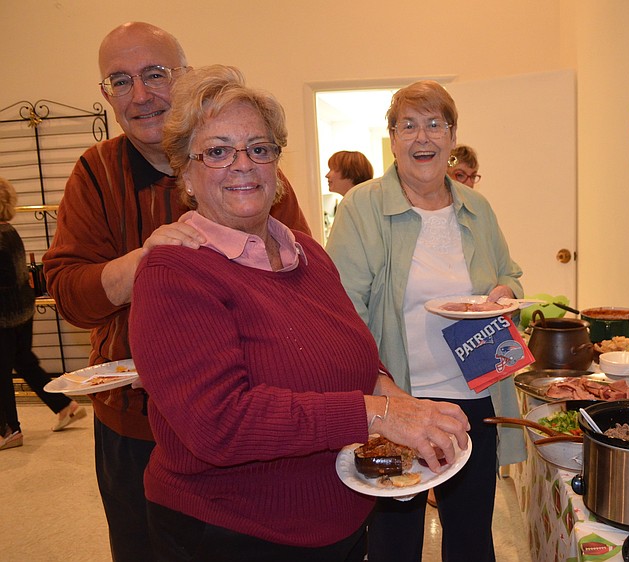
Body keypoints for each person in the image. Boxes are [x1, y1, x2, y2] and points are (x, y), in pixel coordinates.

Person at [128, 64, 469, 560]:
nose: (243, 165)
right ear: (186, 173)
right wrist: (378, 414)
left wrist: (388, 392)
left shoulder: (305, 252)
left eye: (259, 148)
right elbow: (219, 424)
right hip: (234, 533)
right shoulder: (174, 272)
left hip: (338, 522)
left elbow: (351, 350)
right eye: (218, 151)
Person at [41, 22, 311, 562]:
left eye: (155, 74)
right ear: (106, 95)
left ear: (186, 77)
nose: (140, 95)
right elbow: (69, 295)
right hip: (134, 423)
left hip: (247, 416)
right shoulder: (96, 173)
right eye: (120, 81)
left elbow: (303, 283)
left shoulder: (250, 170)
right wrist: (145, 263)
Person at [325, 80, 526, 562]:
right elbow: (341, 310)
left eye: (435, 124)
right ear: (392, 139)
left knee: (472, 540)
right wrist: (379, 391)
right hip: (398, 403)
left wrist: (506, 295)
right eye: (408, 126)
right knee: (394, 542)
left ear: (452, 136)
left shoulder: (477, 207)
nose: (422, 137)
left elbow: (510, 277)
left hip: (475, 398)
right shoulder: (363, 207)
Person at [0, 177, 87, 451]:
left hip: (4, 316)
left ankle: (9, 430)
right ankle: (64, 405)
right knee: (24, 361)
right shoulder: (9, 231)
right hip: (22, 310)